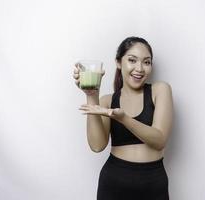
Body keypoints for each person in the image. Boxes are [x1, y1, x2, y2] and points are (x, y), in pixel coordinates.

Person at [73, 36, 173, 200]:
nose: (139, 68)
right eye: (132, 60)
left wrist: (123, 118)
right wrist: (92, 95)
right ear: (119, 62)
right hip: (114, 182)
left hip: (153, 183)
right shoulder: (107, 101)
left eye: (146, 62)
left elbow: (159, 140)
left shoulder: (159, 90)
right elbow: (97, 146)